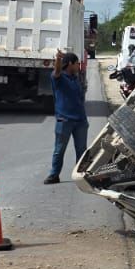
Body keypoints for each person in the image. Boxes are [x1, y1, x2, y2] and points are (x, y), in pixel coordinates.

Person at [44, 50, 88, 184]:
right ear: (70, 64)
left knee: (81, 150)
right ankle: (54, 175)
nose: (78, 66)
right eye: (76, 64)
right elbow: (56, 72)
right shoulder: (59, 78)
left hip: (80, 121)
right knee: (59, 150)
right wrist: (58, 59)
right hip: (65, 121)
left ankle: (80, 174)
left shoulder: (77, 78)